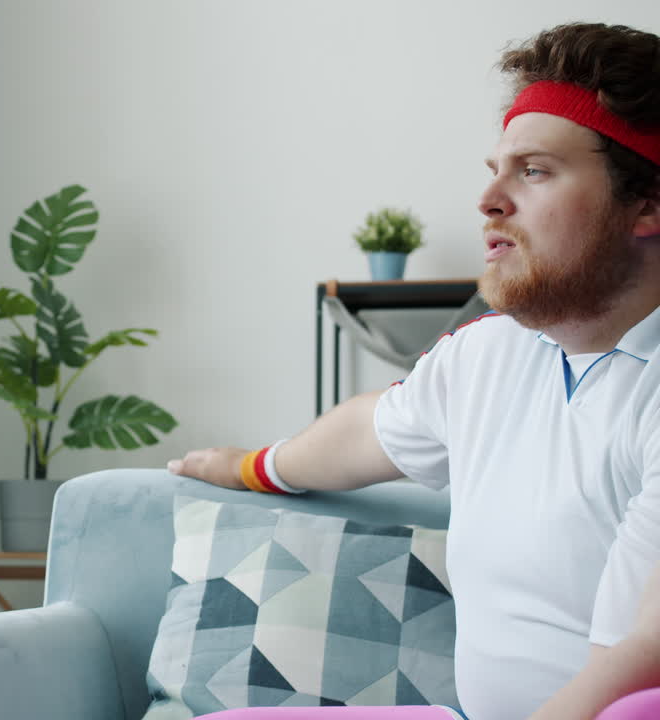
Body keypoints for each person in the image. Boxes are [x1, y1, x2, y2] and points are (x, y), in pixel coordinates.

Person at [166, 21, 660, 720]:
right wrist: (248, 467)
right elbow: (367, 433)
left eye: (535, 171)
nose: (490, 201)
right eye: (495, 170)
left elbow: (644, 654)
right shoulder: (486, 355)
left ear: (647, 204)